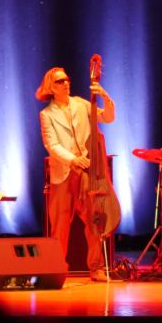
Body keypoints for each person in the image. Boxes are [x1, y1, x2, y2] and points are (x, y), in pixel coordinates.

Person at [37, 65, 115, 282]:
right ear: (51, 87)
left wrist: (105, 97)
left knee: (94, 220)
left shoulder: (81, 104)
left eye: (67, 79)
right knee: (60, 225)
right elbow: (51, 144)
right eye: (60, 81)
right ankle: (56, 269)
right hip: (64, 172)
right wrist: (72, 159)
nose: (66, 83)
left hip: (86, 171)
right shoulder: (46, 114)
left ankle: (96, 268)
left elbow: (107, 118)